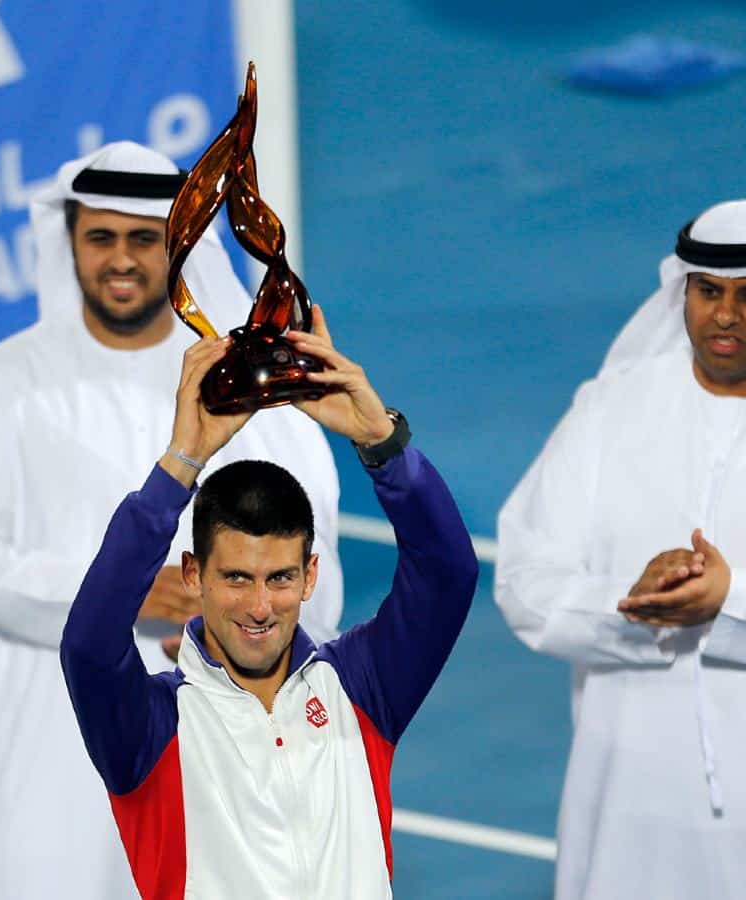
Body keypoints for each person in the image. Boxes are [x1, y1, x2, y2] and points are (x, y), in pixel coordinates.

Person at [0, 141, 344, 899]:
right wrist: (121, 595)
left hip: (221, 768)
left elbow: (323, 595)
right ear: (72, 243)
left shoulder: (255, 405)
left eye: (144, 238)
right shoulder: (1, 384)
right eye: (100, 237)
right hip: (44, 767)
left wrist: (221, 614)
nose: (121, 259)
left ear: (180, 246)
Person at [60, 306, 477, 899]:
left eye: (279, 578)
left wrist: (379, 441)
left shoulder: (361, 688)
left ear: (311, 576)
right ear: (194, 573)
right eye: (236, 578)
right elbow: (89, 646)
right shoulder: (150, 730)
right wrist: (181, 463)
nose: (260, 606)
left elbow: (447, 573)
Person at [495, 199, 746, 899]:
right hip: (625, 812)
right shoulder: (610, 410)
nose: (723, 314)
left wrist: (733, 600)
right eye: (707, 291)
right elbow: (525, 578)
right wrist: (631, 607)